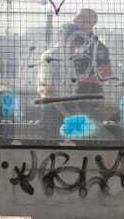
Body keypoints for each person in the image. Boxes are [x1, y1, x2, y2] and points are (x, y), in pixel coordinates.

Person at [37, 7, 115, 137]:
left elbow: (106, 73)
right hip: (58, 109)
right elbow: (48, 92)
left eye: (80, 19)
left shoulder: (96, 48)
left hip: (84, 100)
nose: (76, 21)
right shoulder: (52, 56)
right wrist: (69, 115)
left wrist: (75, 114)